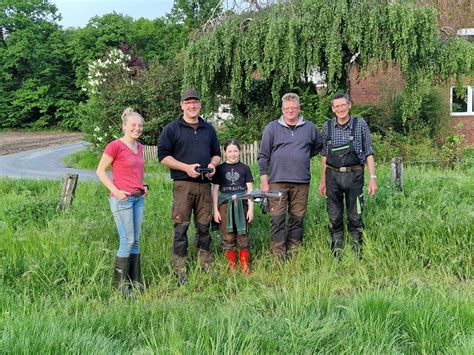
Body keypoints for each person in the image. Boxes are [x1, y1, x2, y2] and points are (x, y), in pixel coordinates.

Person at [158, 89, 221, 285]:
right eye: (188, 102)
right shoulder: (172, 128)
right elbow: (163, 157)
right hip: (183, 185)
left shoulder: (208, 128)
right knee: (181, 227)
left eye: (195, 102)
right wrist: (186, 167)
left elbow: (217, 154)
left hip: (204, 185)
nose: (192, 106)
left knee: (204, 227)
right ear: (182, 105)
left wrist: (212, 165)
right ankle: (180, 269)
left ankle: (206, 263)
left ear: (200, 104)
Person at [258, 93, 322, 258]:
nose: (290, 111)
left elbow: (318, 146)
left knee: (297, 217)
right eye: (287, 108)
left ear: (299, 108)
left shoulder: (310, 128)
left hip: (301, 181)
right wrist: (264, 181)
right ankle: (278, 253)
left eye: (293, 107)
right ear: (282, 109)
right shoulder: (271, 128)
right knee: (277, 219)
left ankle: (294, 250)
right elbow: (263, 156)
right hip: (277, 182)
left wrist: (302, 154)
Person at [318, 93, 377, 257]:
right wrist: (323, 180)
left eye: (343, 105)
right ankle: (336, 251)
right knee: (334, 216)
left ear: (349, 105)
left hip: (354, 177)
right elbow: (324, 155)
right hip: (332, 177)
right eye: (337, 106)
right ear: (333, 109)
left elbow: (368, 152)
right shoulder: (327, 127)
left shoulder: (360, 124)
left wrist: (373, 178)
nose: (340, 109)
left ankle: (358, 251)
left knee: (355, 216)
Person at [96, 108, 147, 296]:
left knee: (136, 241)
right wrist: (115, 192)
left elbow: (135, 172)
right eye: (133, 125)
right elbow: (100, 171)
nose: (137, 128)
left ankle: (135, 283)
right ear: (125, 126)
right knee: (127, 240)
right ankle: (120, 287)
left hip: (137, 198)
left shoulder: (139, 147)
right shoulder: (114, 146)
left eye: (140, 125)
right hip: (122, 200)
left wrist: (143, 185)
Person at [213, 139, 254, 275]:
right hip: (225, 204)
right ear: (225, 153)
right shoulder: (220, 169)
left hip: (242, 204)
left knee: (243, 235)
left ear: (239, 152)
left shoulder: (245, 168)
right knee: (228, 236)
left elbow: (250, 191)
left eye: (235, 151)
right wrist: (215, 210)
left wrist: (251, 209)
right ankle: (232, 266)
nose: (233, 154)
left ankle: (244, 265)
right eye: (229, 151)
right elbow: (215, 191)